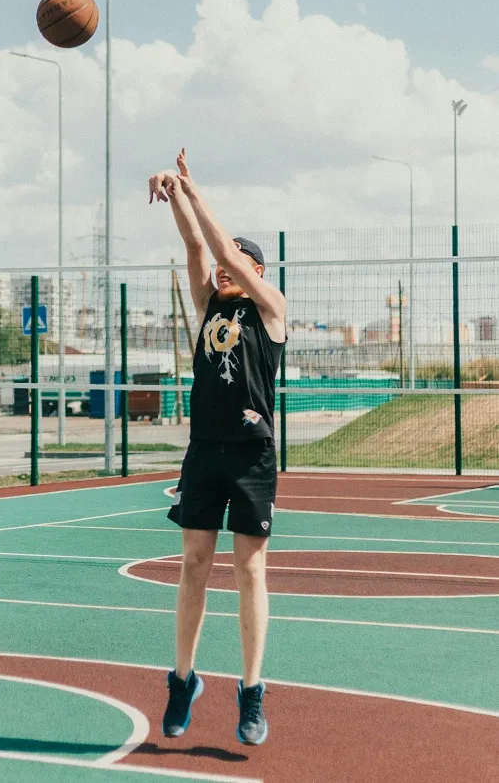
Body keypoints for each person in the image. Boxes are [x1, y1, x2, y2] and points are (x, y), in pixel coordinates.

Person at [148, 148, 286, 747]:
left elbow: (224, 252)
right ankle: (183, 680)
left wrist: (194, 187)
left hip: (252, 456)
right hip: (205, 451)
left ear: (259, 272)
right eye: (227, 267)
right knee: (194, 564)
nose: (228, 270)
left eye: (242, 264)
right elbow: (197, 247)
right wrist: (175, 194)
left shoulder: (271, 311)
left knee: (249, 569)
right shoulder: (207, 307)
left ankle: (251, 692)